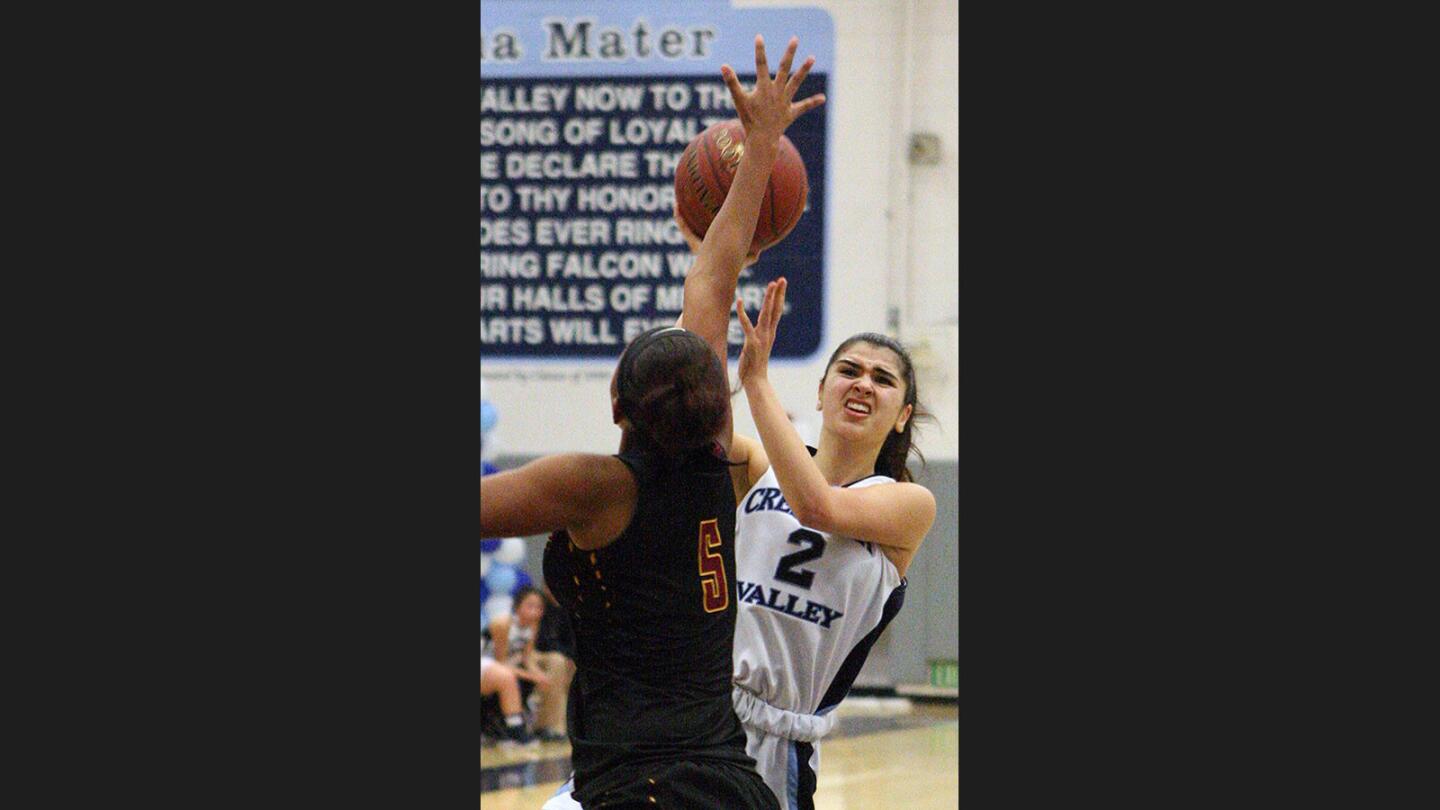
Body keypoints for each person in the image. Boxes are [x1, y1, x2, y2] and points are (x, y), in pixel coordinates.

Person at [527, 34, 826, 810]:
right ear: (711, 407)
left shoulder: (592, 485)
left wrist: (757, 145)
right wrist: (760, 146)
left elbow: (713, 285)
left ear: (616, 407)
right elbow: (713, 284)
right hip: (731, 786)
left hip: (640, 791)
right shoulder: (713, 465)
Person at [669, 40, 936, 807]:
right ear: (821, 390)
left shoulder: (903, 507)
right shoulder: (756, 468)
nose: (863, 383)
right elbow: (693, 378)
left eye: (883, 379)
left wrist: (755, 382)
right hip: (695, 716)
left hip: (776, 754)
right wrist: (725, 236)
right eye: (849, 369)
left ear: (901, 413)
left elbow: (820, 506)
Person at [483, 585, 573, 742]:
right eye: (530, 606)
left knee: (544, 674)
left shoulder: (533, 625)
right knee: (511, 677)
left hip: (510, 663)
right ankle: (514, 730)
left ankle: (545, 727)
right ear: (517, 606)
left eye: (539, 607)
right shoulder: (503, 624)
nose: (535, 611)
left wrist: (539, 675)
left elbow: (527, 657)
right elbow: (500, 662)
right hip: (488, 664)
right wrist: (531, 676)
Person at [481, 650, 537, 747]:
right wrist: (525, 674)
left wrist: (536, 674)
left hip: (503, 662)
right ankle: (514, 728)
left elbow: (527, 656)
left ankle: (511, 727)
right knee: (505, 677)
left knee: (512, 677)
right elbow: (501, 662)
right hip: (494, 663)